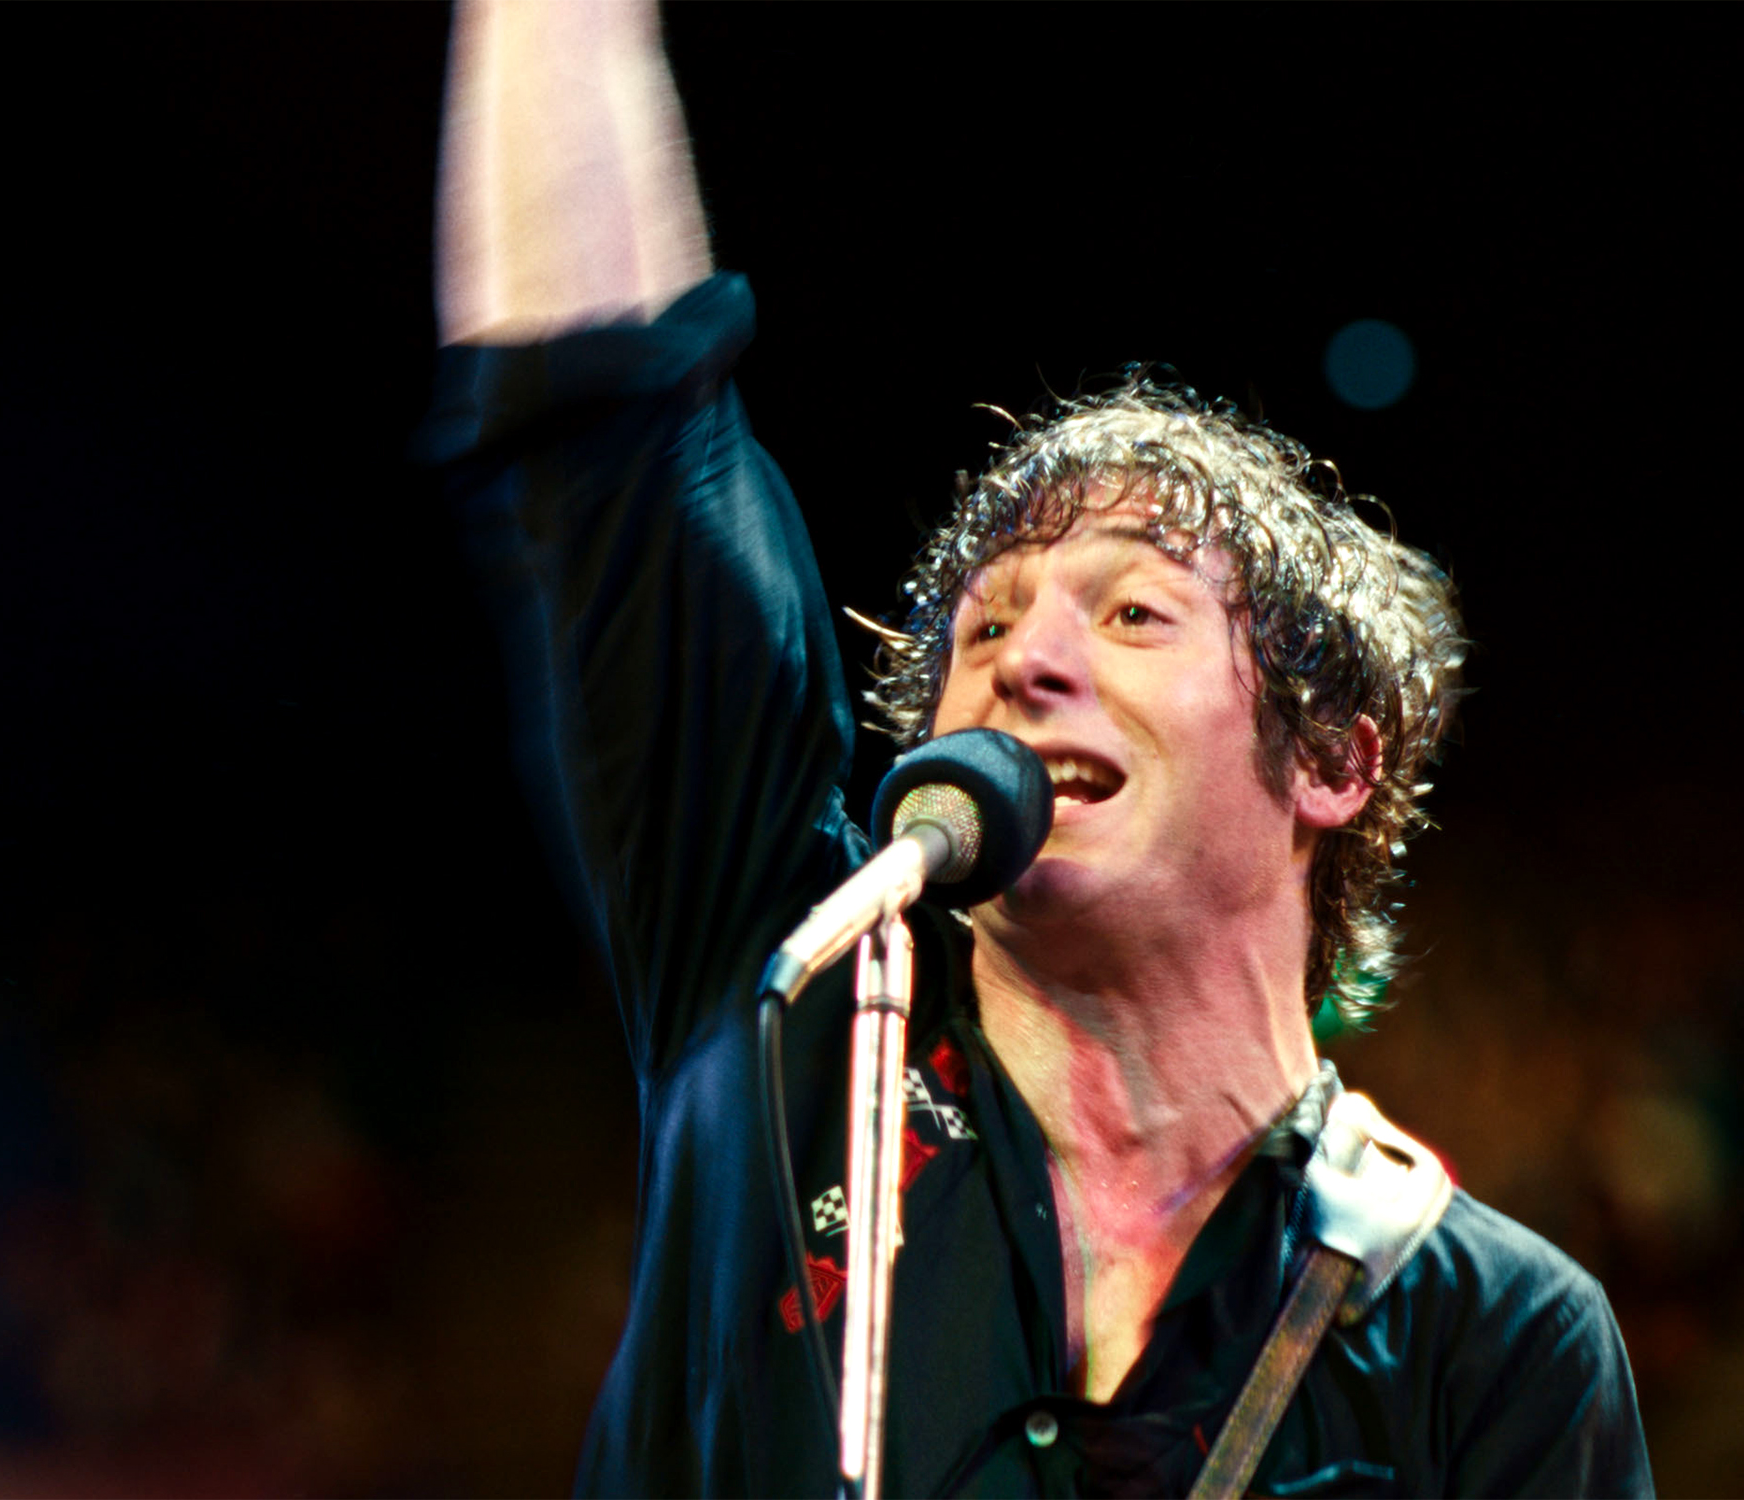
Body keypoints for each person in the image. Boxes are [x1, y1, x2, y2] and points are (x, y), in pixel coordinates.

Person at [422, 2, 1655, 1494]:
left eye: (1132, 612)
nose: (1025, 661)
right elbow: (602, 423)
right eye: (984, 629)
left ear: (1330, 760)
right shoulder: (798, 1003)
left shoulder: (1500, 1345)